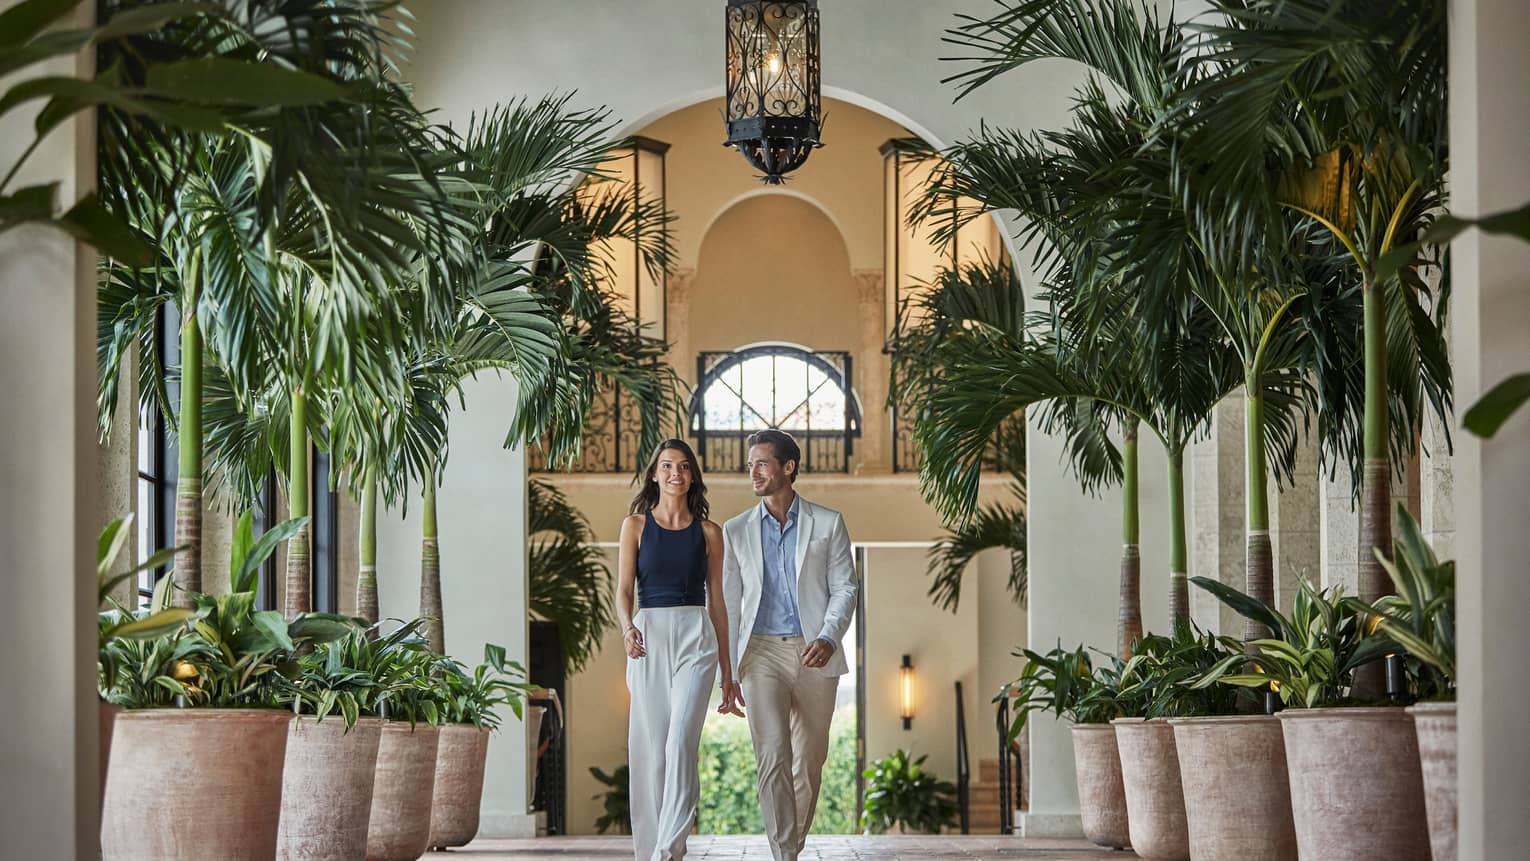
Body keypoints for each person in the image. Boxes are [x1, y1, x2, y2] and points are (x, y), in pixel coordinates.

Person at [719, 429, 859, 861]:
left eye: (762, 463)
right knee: (772, 754)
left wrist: (828, 636)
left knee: (809, 761)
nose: (754, 473)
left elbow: (846, 588)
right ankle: (785, 854)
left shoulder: (828, 522)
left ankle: (789, 845)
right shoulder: (736, 529)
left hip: (815, 651)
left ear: (788, 467)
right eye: (751, 465)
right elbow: (726, 602)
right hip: (759, 653)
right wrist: (727, 672)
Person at [616, 439, 732, 861]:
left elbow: (718, 603)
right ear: (654, 474)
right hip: (648, 636)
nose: (675, 474)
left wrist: (728, 672)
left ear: (692, 476)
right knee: (651, 748)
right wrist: (627, 628)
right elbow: (623, 592)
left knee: (681, 740)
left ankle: (671, 846)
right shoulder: (635, 526)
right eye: (667, 466)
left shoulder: (710, 533)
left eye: (683, 467)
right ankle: (652, 849)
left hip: (695, 638)